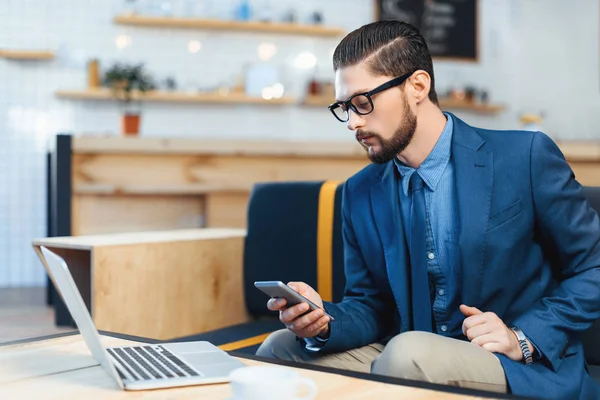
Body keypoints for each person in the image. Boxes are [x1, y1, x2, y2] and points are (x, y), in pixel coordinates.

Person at [255, 20, 600, 399]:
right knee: (279, 350)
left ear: (417, 86)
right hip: (404, 355)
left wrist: (522, 336)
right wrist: (322, 321)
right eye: (343, 107)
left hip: (512, 364)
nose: (353, 121)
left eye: (363, 102)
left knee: (407, 355)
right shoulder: (358, 192)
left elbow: (593, 267)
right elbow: (371, 306)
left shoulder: (525, 157)